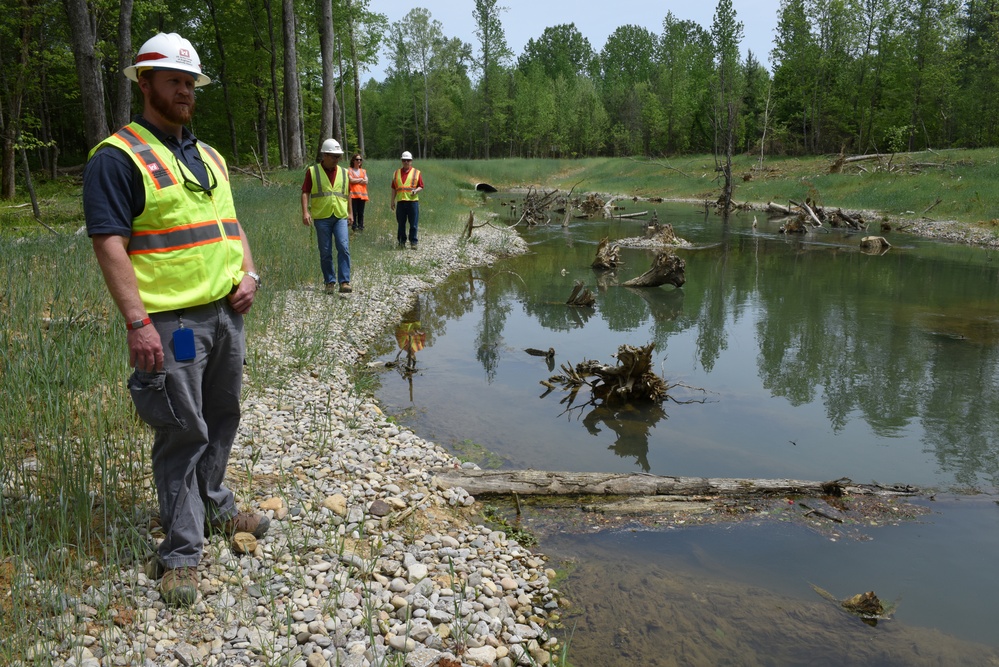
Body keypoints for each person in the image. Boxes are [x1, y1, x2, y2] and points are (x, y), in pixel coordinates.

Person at [82, 32, 269, 608]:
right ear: (146, 84)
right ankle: (181, 553)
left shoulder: (207, 156)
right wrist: (138, 323)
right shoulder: (116, 157)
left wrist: (250, 274)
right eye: (173, 81)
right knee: (182, 430)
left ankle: (214, 503)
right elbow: (109, 243)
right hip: (173, 325)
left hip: (225, 315)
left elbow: (230, 226)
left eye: (189, 83)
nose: (185, 91)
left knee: (222, 414)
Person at [302, 139, 353, 293]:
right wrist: (305, 212)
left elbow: (348, 193)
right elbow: (305, 192)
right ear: (325, 155)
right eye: (334, 156)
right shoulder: (312, 171)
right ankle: (329, 282)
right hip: (321, 217)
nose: (337, 159)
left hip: (340, 215)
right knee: (325, 251)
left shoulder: (345, 173)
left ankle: (344, 282)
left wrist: (350, 212)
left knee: (343, 247)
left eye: (339, 156)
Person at [390, 150, 423, 249]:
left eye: (408, 160)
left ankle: (413, 241)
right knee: (401, 224)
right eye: (404, 160)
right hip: (401, 202)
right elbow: (394, 188)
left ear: (411, 161)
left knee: (413, 224)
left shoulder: (416, 172)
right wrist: (392, 201)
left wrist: (416, 191)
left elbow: (421, 186)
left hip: (412, 202)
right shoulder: (396, 173)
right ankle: (401, 242)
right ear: (402, 161)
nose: (406, 162)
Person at [348, 153, 368, 232]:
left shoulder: (363, 171)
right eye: (357, 159)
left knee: (361, 213)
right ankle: (354, 228)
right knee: (354, 212)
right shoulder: (350, 170)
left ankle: (361, 227)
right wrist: (360, 179)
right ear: (353, 161)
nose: (359, 161)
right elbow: (351, 180)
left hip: (362, 196)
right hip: (353, 195)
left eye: (360, 159)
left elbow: (366, 181)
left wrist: (356, 180)